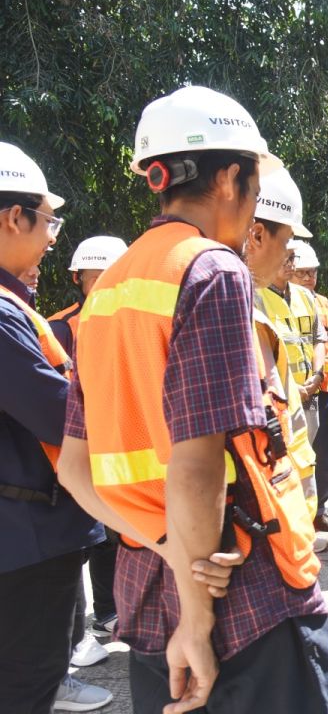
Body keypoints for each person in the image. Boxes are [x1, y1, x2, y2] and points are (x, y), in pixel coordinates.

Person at [56, 86, 328, 713]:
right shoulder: (212, 271)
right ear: (230, 178)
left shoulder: (109, 288)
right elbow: (195, 464)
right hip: (243, 601)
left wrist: (165, 547)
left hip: (148, 582)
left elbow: (75, 468)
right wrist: (197, 619)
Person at [0, 142, 110, 713]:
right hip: (25, 538)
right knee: (26, 686)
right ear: (13, 217)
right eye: (48, 220)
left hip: (25, 532)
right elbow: (57, 411)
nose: (51, 236)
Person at [47, 236, 128, 661]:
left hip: (126, 445)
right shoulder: (59, 327)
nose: (100, 285)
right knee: (90, 539)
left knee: (118, 535)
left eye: (108, 276)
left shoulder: (136, 319)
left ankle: (115, 612)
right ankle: (92, 624)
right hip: (83, 448)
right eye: (93, 278)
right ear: (79, 280)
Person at [251, 177, 322, 549]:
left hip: (294, 437)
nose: (289, 263)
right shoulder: (243, 299)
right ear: (257, 235)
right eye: (286, 248)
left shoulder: (303, 299)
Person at [291, 240, 328, 533]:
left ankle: (319, 510)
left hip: (322, 390)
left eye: (313, 273)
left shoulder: (321, 302)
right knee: (295, 458)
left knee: (323, 458)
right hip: (292, 394)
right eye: (303, 273)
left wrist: (319, 375)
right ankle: (296, 516)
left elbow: (324, 342)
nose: (310, 279)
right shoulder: (272, 299)